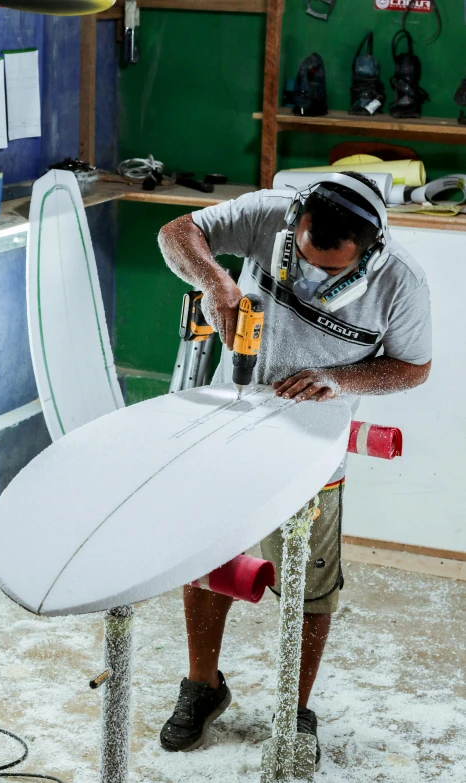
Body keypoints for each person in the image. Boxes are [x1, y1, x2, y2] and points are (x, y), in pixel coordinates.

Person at [156, 172, 432, 767]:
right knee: (207, 562)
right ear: (295, 223)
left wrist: (342, 379)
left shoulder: (400, 283)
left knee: (306, 585)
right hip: (232, 420)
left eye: (330, 271)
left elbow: (413, 368)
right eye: (305, 258)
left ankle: (294, 708)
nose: (311, 277)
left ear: (370, 250)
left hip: (312, 451)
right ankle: (203, 687)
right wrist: (216, 280)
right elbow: (177, 231)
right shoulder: (269, 212)